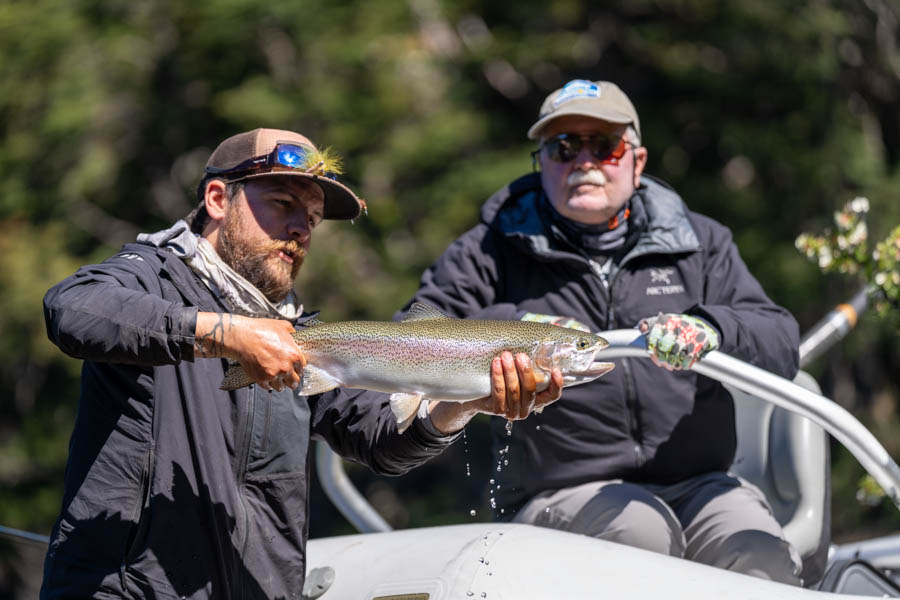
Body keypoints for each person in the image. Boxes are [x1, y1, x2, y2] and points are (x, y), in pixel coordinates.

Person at [40, 128, 562, 599]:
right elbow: (71, 310)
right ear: (219, 199)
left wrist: (460, 403)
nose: (300, 229)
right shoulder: (150, 275)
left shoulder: (301, 336)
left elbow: (379, 441)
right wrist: (226, 335)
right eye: (283, 204)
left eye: (310, 218)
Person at [403, 79, 803, 584]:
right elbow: (414, 333)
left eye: (605, 146)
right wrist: (515, 330)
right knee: (638, 534)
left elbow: (781, 340)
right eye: (563, 147)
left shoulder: (701, 242)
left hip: (701, 484)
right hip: (554, 492)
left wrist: (711, 327)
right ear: (542, 161)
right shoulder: (489, 249)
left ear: (637, 162)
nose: (583, 161)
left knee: (759, 554)